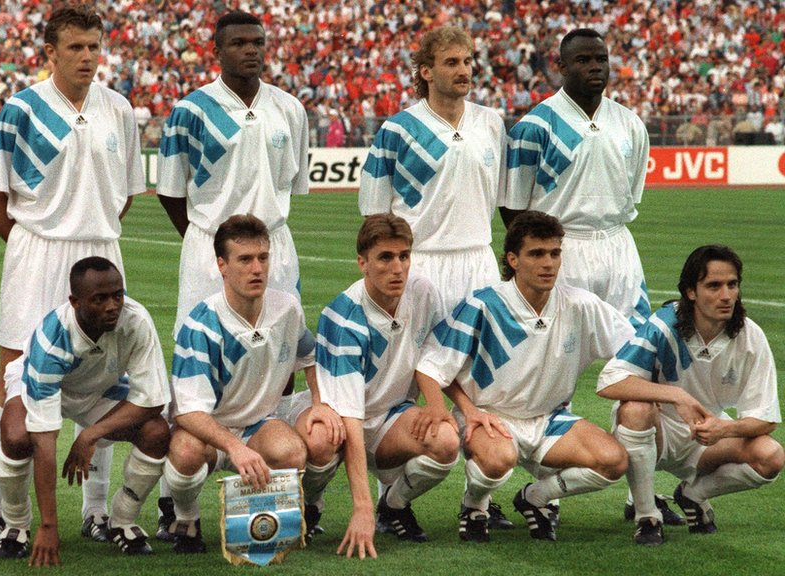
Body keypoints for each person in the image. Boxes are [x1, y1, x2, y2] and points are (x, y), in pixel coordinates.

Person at [0, 4, 146, 547]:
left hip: (99, 251)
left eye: (94, 47)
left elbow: (124, 194)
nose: (87, 57)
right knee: (13, 379)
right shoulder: (20, 109)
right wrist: (33, 241)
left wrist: (90, 231)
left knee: (105, 379)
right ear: (50, 51)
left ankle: (96, 511)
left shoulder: (119, 109)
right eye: (76, 47)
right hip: (37, 253)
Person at [421, 211, 633, 543]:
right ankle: (474, 506)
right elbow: (432, 367)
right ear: (513, 259)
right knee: (498, 459)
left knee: (613, 461)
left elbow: (636, 350)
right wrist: (469, 411)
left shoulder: (581, 304)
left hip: (549, 420)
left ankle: (535, 497)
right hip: (490, 418)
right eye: (536, 254)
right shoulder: (482, 305)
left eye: (554, 253)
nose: (548, 263)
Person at [292, 214, 461, 558]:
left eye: (404, 256)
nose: (397, 268)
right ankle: (309, 504)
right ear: (362, 263)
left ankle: (394, 505)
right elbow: (351, 418)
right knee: (322, 438)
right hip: (341, 418)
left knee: (445, 440)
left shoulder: (424, 292)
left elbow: (437, 359)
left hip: (391, 416)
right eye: (385, 258)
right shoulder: (343, 318)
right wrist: (361, 507)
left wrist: (441, 406)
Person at [598, 245, 783, 545]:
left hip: (707, 437)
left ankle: (693, 495)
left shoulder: (750, 336)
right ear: (691, 292)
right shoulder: (664, 325)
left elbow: (765, 419)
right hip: (658, 429)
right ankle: (646, 515)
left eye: (732, 284)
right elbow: (609, 382)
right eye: (714, 285)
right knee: (635, 410)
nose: (726, 295)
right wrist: (674, 395)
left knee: (770, 456)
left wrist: (724, 428)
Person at [0, 257, 170, 564]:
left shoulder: (136, 320)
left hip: (98, 387)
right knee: (17, 435)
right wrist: (49, 526)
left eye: (117, 295)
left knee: (156, 431)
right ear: (75, 302)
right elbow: (44, 442)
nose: (112, 306)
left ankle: (122, 520)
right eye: (99, 299)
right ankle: (16, 525)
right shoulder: (52, 341)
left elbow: (152, 400)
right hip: (39, 380)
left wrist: (90, 435)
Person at [162, 214, 311, 554]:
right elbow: (187, 412)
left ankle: (265, 522)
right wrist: (234, 447)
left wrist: (323, 406)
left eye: (263, 257)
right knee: (185, 453)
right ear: (222, 265)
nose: (257, 269)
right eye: (245, 259)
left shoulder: (288, 308)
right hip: (208, 429)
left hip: (257, 424)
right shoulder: (200, 325)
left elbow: (310, 355)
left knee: (292, 451)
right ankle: (186, 518)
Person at [157, 10, 309, 334]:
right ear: (217, 52)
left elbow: (290, 185)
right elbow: (169, 192)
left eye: (258, 43)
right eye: (239, 43)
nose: (251, 50)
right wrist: (217, 243)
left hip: (273, 248)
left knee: (280, 350)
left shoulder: (290, 109)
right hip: (210, 250)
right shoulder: (189, 111)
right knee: (203, 347)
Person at [503, 28, 651, 329]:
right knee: (560, 345)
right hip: (562, 250)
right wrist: (542, 249)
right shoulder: (533, 127)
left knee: (634, 343)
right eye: (583, 60)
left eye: (601, 59)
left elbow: (630, 195)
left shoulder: (630, 124)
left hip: (618, 247)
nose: (595, 67)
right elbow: (512, 207)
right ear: (562, 67)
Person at [360, 26, 505, 314]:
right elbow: (374, 214)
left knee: (483, 345)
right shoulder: (397, 130)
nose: (463, 70)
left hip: (480, 262)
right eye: (451, 63)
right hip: (421, 263)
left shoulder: (491, 123)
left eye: (467, 61)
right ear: (426, 72)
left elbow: (500, 198)